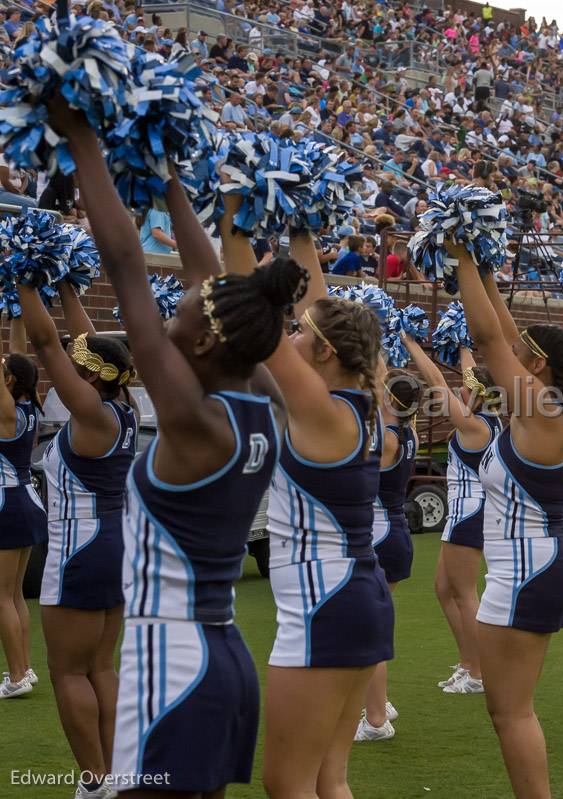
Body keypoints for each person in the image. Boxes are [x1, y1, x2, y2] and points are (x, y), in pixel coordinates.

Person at [51, 101, 302, 795]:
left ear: (199, 344)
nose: (169, 312)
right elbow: (208, 275)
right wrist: (164, 175)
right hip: (221, 654)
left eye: (179, 314)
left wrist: (83, 143)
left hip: (173, 659)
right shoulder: (253, 402)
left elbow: (128, 269)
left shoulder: (196, 422)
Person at [220, 190, 393, 797]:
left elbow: (249, 311)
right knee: (326, 782)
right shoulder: (356, 399)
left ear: (322, 351)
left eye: (300, 332)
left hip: (328, 603)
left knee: (287, 784)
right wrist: (300, 227)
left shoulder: (320, 410)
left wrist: (236, 208)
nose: (289, 334)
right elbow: (323, 312)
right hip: (351, 595)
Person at [450, 234, 563, 799]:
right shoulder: (538, 407)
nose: (511, 351)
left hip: (528, 571)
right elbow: (502, 336)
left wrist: (458, 259)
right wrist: (482, 266)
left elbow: (487, 338)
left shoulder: (542, 410)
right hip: (524, 566)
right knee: (505, 711)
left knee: (511, 713)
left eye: (523, 350)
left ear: (539, 365)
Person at [18, 279, 134, 793]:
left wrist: (25, 279)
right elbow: (91, 345)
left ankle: (94, 779)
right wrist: (65, 283)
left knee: (67, 671)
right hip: (115, 543)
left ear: (88, 375)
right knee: (99, 667)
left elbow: (48, 346)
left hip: (81, 548)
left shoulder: (91, 414)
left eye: (79, 363)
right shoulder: (120, 405)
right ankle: (111, 772)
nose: (72, 361)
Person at [404, 341, 500, 695]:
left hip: (470, 513)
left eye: (466, 385)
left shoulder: (475, 425)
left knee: (463, 593)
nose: (460, 386)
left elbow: (437, 384)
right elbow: (468, 376)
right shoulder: (485, 417)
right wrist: (460, 342)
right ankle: (467, 662)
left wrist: (411, 345)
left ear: (475, 393)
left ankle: (479, 672)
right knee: (443, 590)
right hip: (463, 513)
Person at [356, 371, 423, 742]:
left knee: (368, 630)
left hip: (381, 534)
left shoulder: (389, 438)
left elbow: (361, 476)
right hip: (392, 532)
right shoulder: (407, 431)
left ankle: (377, 719)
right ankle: (378, 702)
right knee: (372, 624)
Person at [0, 346, 44, 700]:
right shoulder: (29, 406)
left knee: (2, 596)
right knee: (14, 595)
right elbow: (17, 354)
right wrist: (13, 309)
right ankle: (24, 667)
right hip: (27, 500)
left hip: (8, 503)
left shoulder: (8, 412)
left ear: (10, 380)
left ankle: (16, 676)